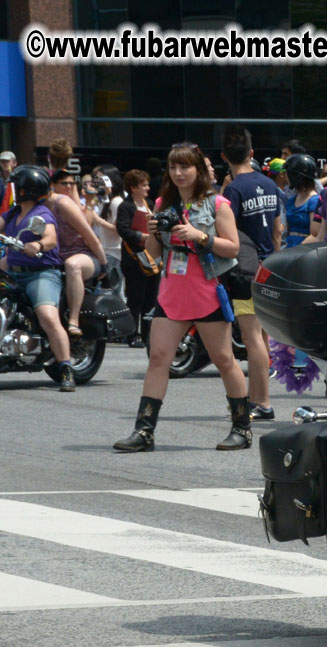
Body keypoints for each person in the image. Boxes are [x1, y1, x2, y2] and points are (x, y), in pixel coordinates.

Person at [113, 143, 247, 452]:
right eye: (173, 167)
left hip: (207, 290)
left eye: (184, 167)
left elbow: (233, 248)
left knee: (224, 360)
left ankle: (242, 427)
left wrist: (200, 236)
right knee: (158, 358)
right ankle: (144, 430)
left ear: (198, 169)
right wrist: (154, 234)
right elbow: (154, 253)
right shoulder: (162, 203)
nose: (178, 173)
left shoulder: (217, 204)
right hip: (172, 291)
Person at [222, 125, 283, 421]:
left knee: (252, 337)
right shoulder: (270, 185)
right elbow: (278, 229)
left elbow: (226, 229)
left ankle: (262, 401)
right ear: (252, 153)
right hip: (269, 266)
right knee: (261, 335)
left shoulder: (233, 189)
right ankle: (257, 398)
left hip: (246, 271)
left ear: (224, 157)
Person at [0, 165, 75, 390]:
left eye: (17, 186)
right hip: (13, 271)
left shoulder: (41, 214)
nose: (12, 190)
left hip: (40, 273)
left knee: (48, 317)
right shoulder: (13, 213)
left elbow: (51, 237)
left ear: (26, 189)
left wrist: (38, 244)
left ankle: (65, 368)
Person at [47, 169, 108, 339]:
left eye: (71, 183)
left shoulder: (69, 204)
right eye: (63, 183)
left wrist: (104, 264)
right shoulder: (44, 203)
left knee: (72, 265)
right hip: (54, 255)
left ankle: (74, 320)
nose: (67, 186)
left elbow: (91, 237)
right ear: (52, 185)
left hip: (84, 255)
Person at [115, 169, 156, 347]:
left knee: (151, 298)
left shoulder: (151, 204)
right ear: (133, 188)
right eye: (143, 185)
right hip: (133, 258)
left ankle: (148, 334)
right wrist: (143, 237)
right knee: (135, 298)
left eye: (147, 184)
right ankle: (132, 334)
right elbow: (123, 230)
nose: (147, 188)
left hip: (152, 258)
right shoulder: (126, 206)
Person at [280, 153, 320, 248]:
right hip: (288, 247)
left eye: (288, 173)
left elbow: (315, 234)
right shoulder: (291, 200)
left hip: (305, 250)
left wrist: (297, 250)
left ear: (297, 176)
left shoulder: (314, 201)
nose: (285, 176)